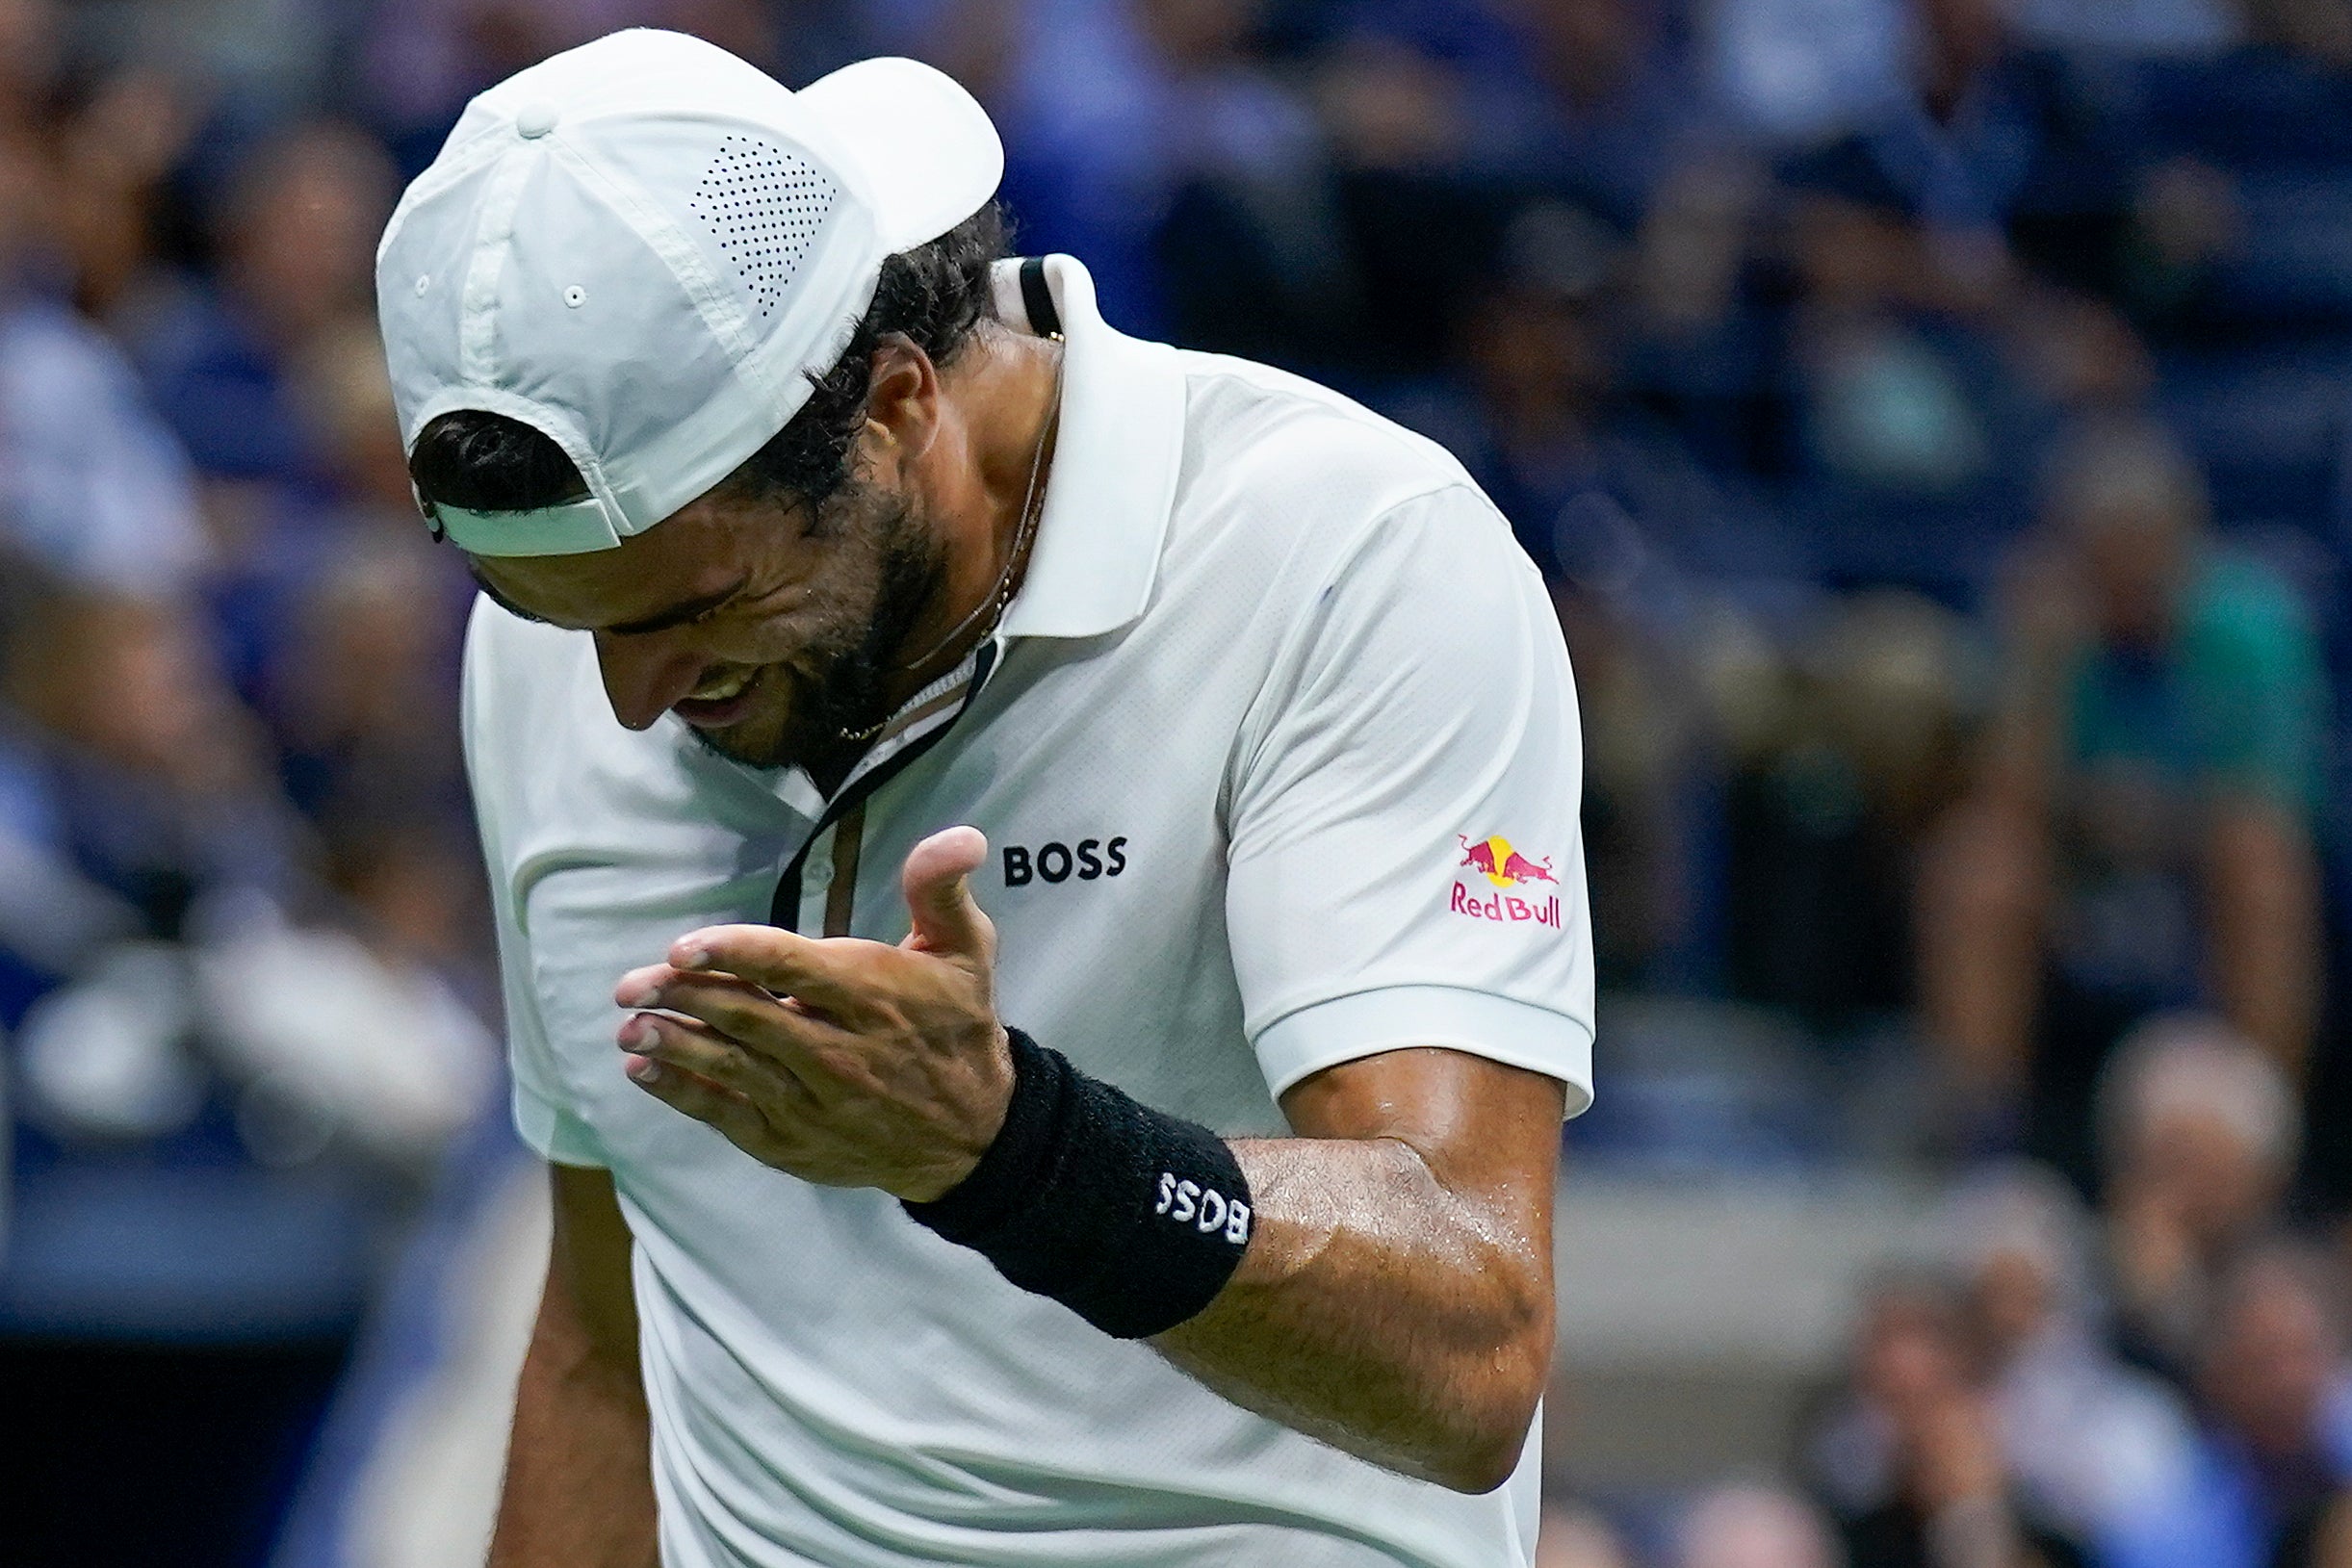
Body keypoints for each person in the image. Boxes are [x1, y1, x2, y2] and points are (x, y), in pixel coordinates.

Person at [377, 29, 1591, 1568]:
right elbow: (603, 1347)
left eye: (699, 602)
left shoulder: (1353, 556)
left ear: (891, 411)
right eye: (562, 618)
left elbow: (1470, 1332)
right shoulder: (555, 651)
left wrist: (1014, 1152)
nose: (621, 699)